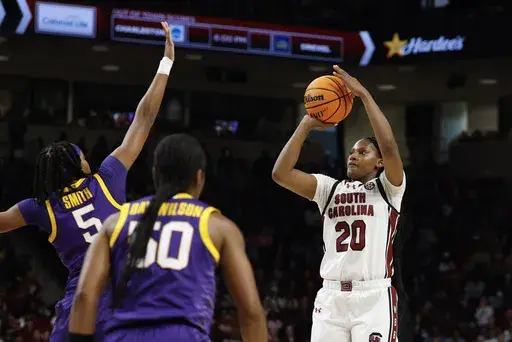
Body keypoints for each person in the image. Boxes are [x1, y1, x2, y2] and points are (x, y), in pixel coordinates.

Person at [0, 21, 175, 342]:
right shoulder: (107, 177)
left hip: (81, 298)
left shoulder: (41, 207)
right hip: (125, 292)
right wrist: (166, 63)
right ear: (78, 164)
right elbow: (144, 119)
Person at [68, 134, 267, 342]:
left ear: (155, 174)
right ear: (199, 177)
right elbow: (251, 313)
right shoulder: (217, 226)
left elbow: (84, 297)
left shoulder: (115, 222)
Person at [272, 65, 406, 342]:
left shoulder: (389, 189)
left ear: (379, 162)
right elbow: (280, 174)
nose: (353, 156)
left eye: (363, 151)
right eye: (352, 151)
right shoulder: (329, 189)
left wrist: (364, 96)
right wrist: (306, 124)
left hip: (373, 296)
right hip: (331, 297)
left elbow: (390, 146)